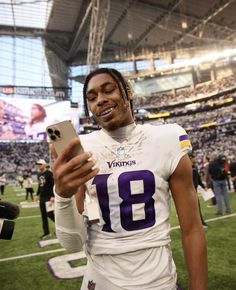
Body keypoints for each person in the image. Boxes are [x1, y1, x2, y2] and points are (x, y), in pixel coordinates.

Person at [52, 68, 208, 290]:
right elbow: (72, 243)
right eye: (92, 97)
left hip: (158, 281)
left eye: (108, 90)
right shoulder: (83, 148)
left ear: (128, 92)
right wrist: (62, 196)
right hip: (101, 281)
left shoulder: (168, 138)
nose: (101, 100)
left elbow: (192, 228)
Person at [36, 159, 55, 239]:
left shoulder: (49, 173)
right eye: (38, 164)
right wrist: (37, 194)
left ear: (44, 165)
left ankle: (60, 226)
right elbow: (40, 185)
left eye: (40, 164)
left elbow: (53, 185)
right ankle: (46, 232)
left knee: (50, 214)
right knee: (43, 215)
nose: (38, 166)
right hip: (42, 197)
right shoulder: (39, 174)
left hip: (48, 197)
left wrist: (53, 196)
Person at [189, 153, 208, 227]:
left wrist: (203, 187)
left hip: (194, 190)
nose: (196, 159)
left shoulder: (194, 167)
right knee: (193, 208)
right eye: (194, 158)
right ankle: (199, 223)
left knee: (196, 207)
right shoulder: (187, 167)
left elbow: (198, 179)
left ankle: (200, 222)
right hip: (189, 191)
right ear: (191, 158)